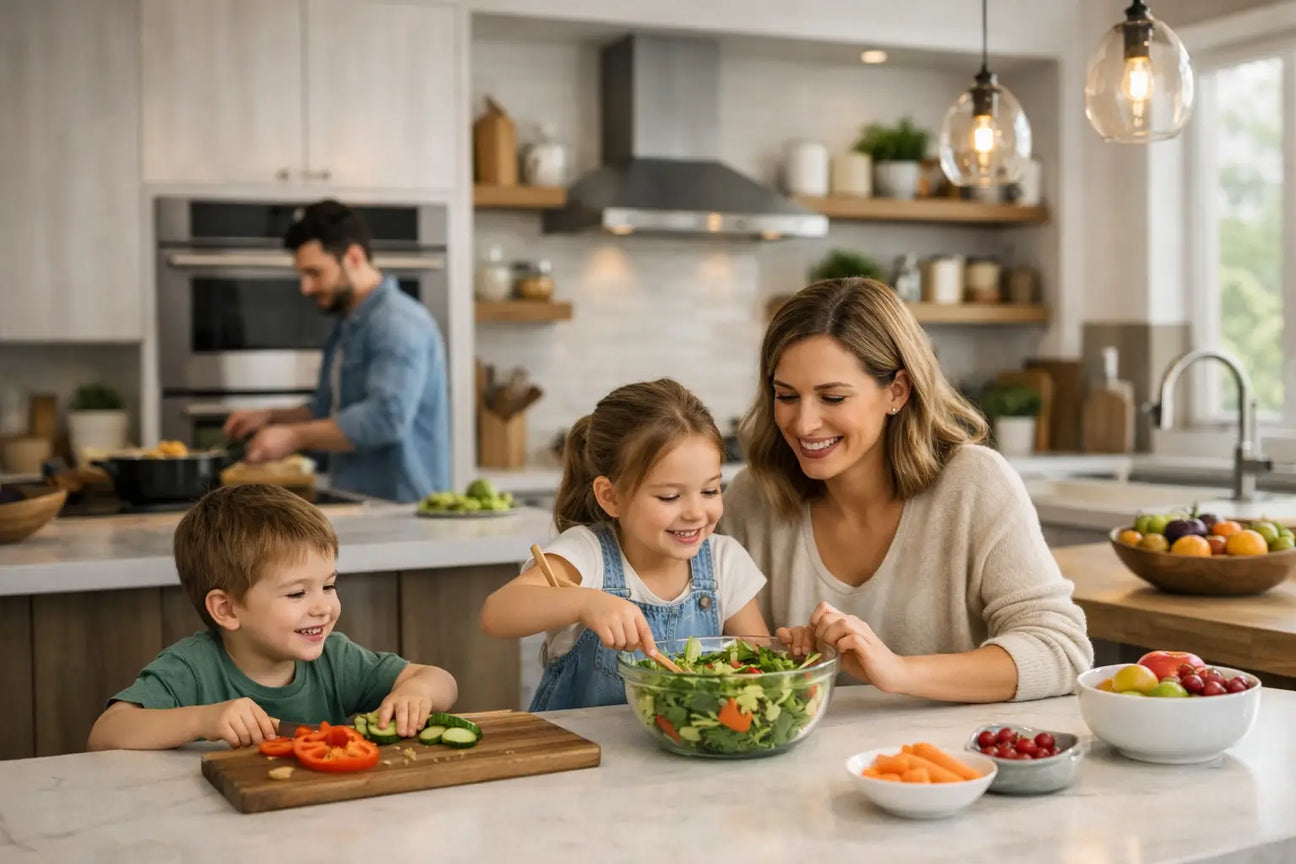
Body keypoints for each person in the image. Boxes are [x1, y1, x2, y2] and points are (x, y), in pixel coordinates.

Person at [720, 278, 1092, 704]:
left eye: (833, 398)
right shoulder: (752, 498)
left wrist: (897, 671)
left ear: (896, 391)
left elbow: (1061, 650)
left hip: (948, 747)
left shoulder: (975, 484)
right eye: (786, 396)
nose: (803, 423)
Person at [87, 484, 458, 750]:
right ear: (227, 609)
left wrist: (416, 692)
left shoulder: (336, 658)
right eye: (297, 593)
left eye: (328, 585)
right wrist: (203, 719)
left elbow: (441, 680)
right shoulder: (190, 668)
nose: (322, 607)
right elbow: (106, 733)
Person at [480, 379, 770, 711]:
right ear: (611, 497)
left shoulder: (724, 561)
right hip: (576, 743)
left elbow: (759, 671)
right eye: (669, 496)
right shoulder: (587, 554)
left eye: (710, 491)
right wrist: (585, 603)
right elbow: (496, 613)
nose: (695, 513)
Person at [223, 199, 450, 503]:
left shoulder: (397, 322)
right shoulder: (348, 324)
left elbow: (386, 418)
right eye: (302, 275)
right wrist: (271, 417)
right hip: (357, 501)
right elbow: (327, 409)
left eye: (315, 273)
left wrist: (294, 436)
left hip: (399, 509)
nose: (305, 287)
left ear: (354, 257)